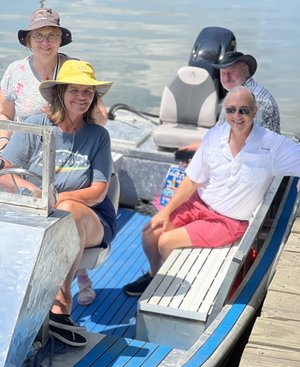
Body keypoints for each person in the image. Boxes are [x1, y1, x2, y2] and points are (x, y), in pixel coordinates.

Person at [123, 86, 300, 296]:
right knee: (150, 233)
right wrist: (165, 211)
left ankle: (176, 289)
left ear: (255, 111)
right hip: (198, 203)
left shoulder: (272, 145)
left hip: (228, 221)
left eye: (244, 110)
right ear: (224, 111)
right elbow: (192, 180)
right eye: (231, 110)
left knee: (166, 241)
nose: (236, 116)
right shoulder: (215, 135)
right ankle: (155, 276)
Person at [1, 60, 116, 345]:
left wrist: (58, 198)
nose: (82, 97)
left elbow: (99, 191)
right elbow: (5, 170)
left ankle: (60, 309)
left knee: (67, 213)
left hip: (90, 218)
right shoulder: (36, 126)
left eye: (88, 92)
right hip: (40, 212)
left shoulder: (98, 135)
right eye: (74, 90)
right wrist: (36, 195)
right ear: (60, 93)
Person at [0, 7, 107, 305]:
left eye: (52, 35)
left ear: (61, 39)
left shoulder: (74, 69)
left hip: (69, 154)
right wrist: (4, 141)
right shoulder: (15, 71)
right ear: (29, 40)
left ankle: (71, 285)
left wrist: (76, 108)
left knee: (68, 205)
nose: (45, 42)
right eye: (39, 36)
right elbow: (4, 114)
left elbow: (99, 119)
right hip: (28, 152)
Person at [179, 51, 280, 153]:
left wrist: (202, 149)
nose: (226, 78)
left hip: (257, 162)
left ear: (245, 70)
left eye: (231, 72)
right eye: (223, 73)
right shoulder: (236, 95)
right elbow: (220, 133)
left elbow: (248, 145)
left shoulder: (256, 100)